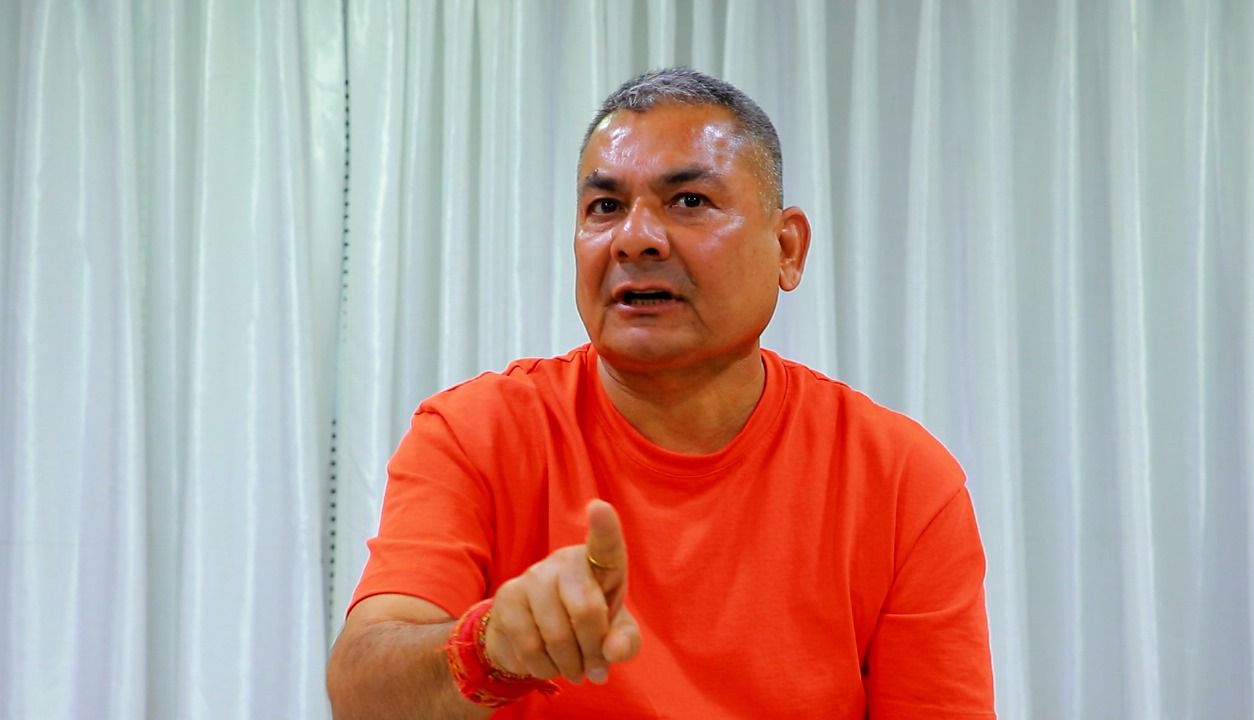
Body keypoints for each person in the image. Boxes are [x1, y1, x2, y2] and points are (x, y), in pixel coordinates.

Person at [327, 67, 995, 719]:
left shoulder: (901, 479)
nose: (635, 239)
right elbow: (361, 694)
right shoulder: (476, 433)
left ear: (787, 249)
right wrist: (490, 647)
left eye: (689, 201)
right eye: (606, 207)